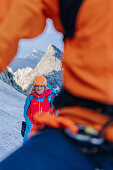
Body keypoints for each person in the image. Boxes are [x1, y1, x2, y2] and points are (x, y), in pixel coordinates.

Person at [0, 0, 113, 169]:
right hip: (78, 129)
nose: (38, 88)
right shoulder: (32, 97)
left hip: (75, 134)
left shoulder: (49, 95)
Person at [23, 75, 54, 142]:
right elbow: (26, 113)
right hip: (31, 127)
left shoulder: (50, 98)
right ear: (34, 86)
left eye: (41, 86)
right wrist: (31, 125)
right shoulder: (30, 98)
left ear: (44, 87)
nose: (39, 88)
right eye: (37, 86)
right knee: (27, 145)